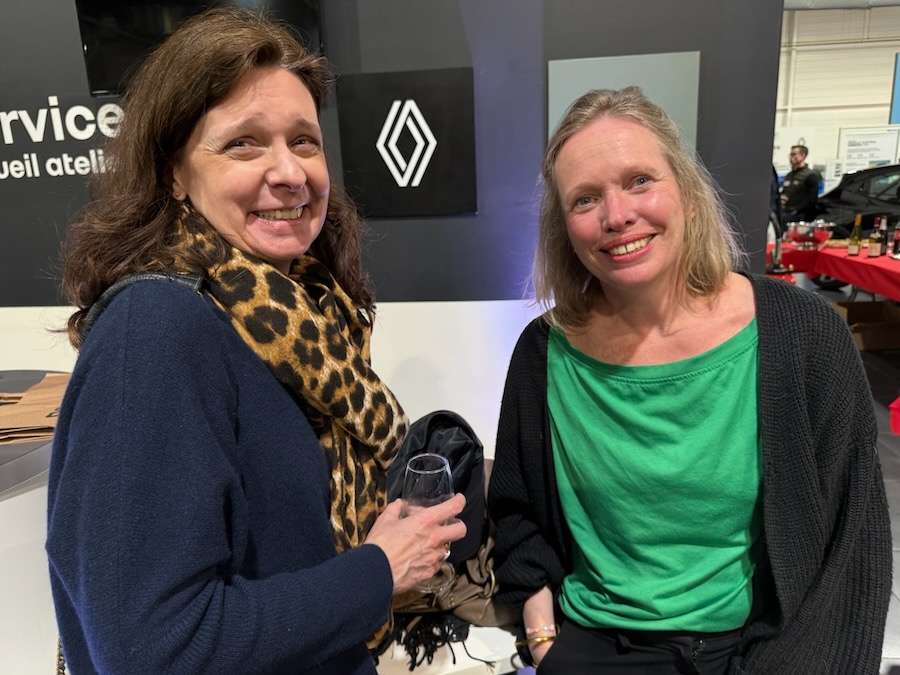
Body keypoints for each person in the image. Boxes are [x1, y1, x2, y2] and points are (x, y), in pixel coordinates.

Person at [46, 8, 466, 674]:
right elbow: (151, 651)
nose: (290, 171)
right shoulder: (155, 330)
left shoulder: (302, 315)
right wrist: (377, 570)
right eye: (244, 144)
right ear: (173, 173)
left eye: (304, 141)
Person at [487, 86, 890, 674]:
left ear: (690, 195)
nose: (617, 215)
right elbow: (517, 510)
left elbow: (852, 548)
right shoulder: (542, 353)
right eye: (585, 199)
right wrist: (544, 639)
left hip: (760, 649)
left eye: (640, 181)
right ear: (564, 229)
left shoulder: (804, 337)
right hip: (594, 646)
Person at [779, 144, 820, 223]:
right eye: (790, 155)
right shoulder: (789, 175)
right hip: (786, 212)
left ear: (803, 156)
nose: (791, 157)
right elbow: (785, 192)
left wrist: (796, 211)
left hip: (800, 216)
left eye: (794, 154)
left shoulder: (810, 176)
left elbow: (812, 200)